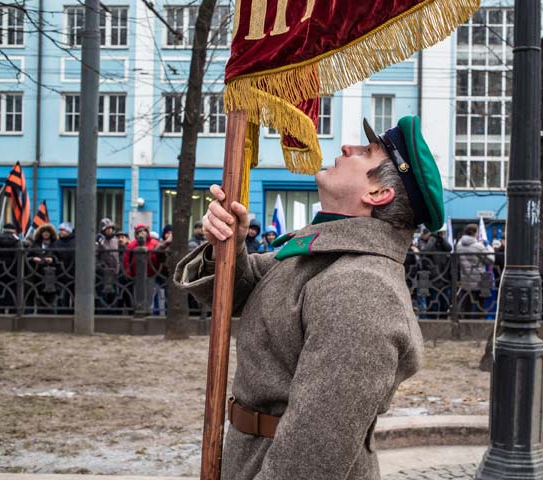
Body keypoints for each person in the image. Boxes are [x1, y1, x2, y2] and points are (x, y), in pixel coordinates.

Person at [175, 116, 443, 479]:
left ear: (378, 194)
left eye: (366, 153)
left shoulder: (362, 288)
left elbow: (313, 451)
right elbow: (246, 290)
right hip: (251, 454)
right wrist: (229, 247)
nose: (347, 148)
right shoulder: (320, 255)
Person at [456, 223, 495, 319]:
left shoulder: (459, 245)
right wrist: (489, 248)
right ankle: (479, 323)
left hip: (465, 279)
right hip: (478, 280)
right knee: (479, 305)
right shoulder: (479, 246)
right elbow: (490, 260)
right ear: (474, 233)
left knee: (467, 305)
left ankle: (465, 324)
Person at [124, 224, 160, 311]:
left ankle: (148, 312)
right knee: (138, 295)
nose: (142, 233)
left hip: (151, 274)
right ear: (136, 234)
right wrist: (128, 272)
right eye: (139, 231)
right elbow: (126, 260)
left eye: (144, 231)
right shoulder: (132, 245)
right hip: (136, 275)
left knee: (150, 295)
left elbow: (159, 257)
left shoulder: (154, 243)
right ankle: (139, 311)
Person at [420, 225, 452, 318]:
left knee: (444, 303)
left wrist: (442, 239)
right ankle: (432, 320)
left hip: (443, 277)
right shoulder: (422, 241)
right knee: (433, 303)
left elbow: (449, 248)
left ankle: (443, 319)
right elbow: (426, 251)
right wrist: (432, 239)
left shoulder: (440, 241)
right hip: (430, 278)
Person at [0, 223, 22, 313]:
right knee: (12, 290)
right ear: (14, 231)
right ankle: (12, 311)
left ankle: (0, 310)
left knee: (0, 290)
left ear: (3, 230)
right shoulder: (17, 241)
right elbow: (18, 256)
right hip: (13, 270)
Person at [26, 223, 58, 311]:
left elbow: (59, 257)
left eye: (48, 232)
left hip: (51, 274)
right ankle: (40, 311)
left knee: (50, 296)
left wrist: (52, 260)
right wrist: (33, 258)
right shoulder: (35, 244)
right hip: (37, 273)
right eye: (44, 232)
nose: (46, 233)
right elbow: (27, 257)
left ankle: (50, 312)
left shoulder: (55, 244)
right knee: (38, 294)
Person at [96, 218, 120, 312]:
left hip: (115, 272)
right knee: (103, 294)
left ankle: (114, 313)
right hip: (103, 273)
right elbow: (95, 255)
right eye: (107, 229)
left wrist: (118, 267)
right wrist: (101, 267)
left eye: (111, 228)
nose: (110, 230)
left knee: (115, 295)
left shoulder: (115, 240)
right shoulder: (100, 240)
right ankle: (103, 313)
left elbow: (117, 254)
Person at [52, 222, 76, 313]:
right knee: (62, 297)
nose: (60, 232)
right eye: (60, 230)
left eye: (63, 230)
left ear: (68, 231)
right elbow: (53, 255)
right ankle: (63, 314)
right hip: (61, 274)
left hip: (74, 273)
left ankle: (75, 312)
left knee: (75, 295)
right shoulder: (57, 243)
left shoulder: (76, 242)